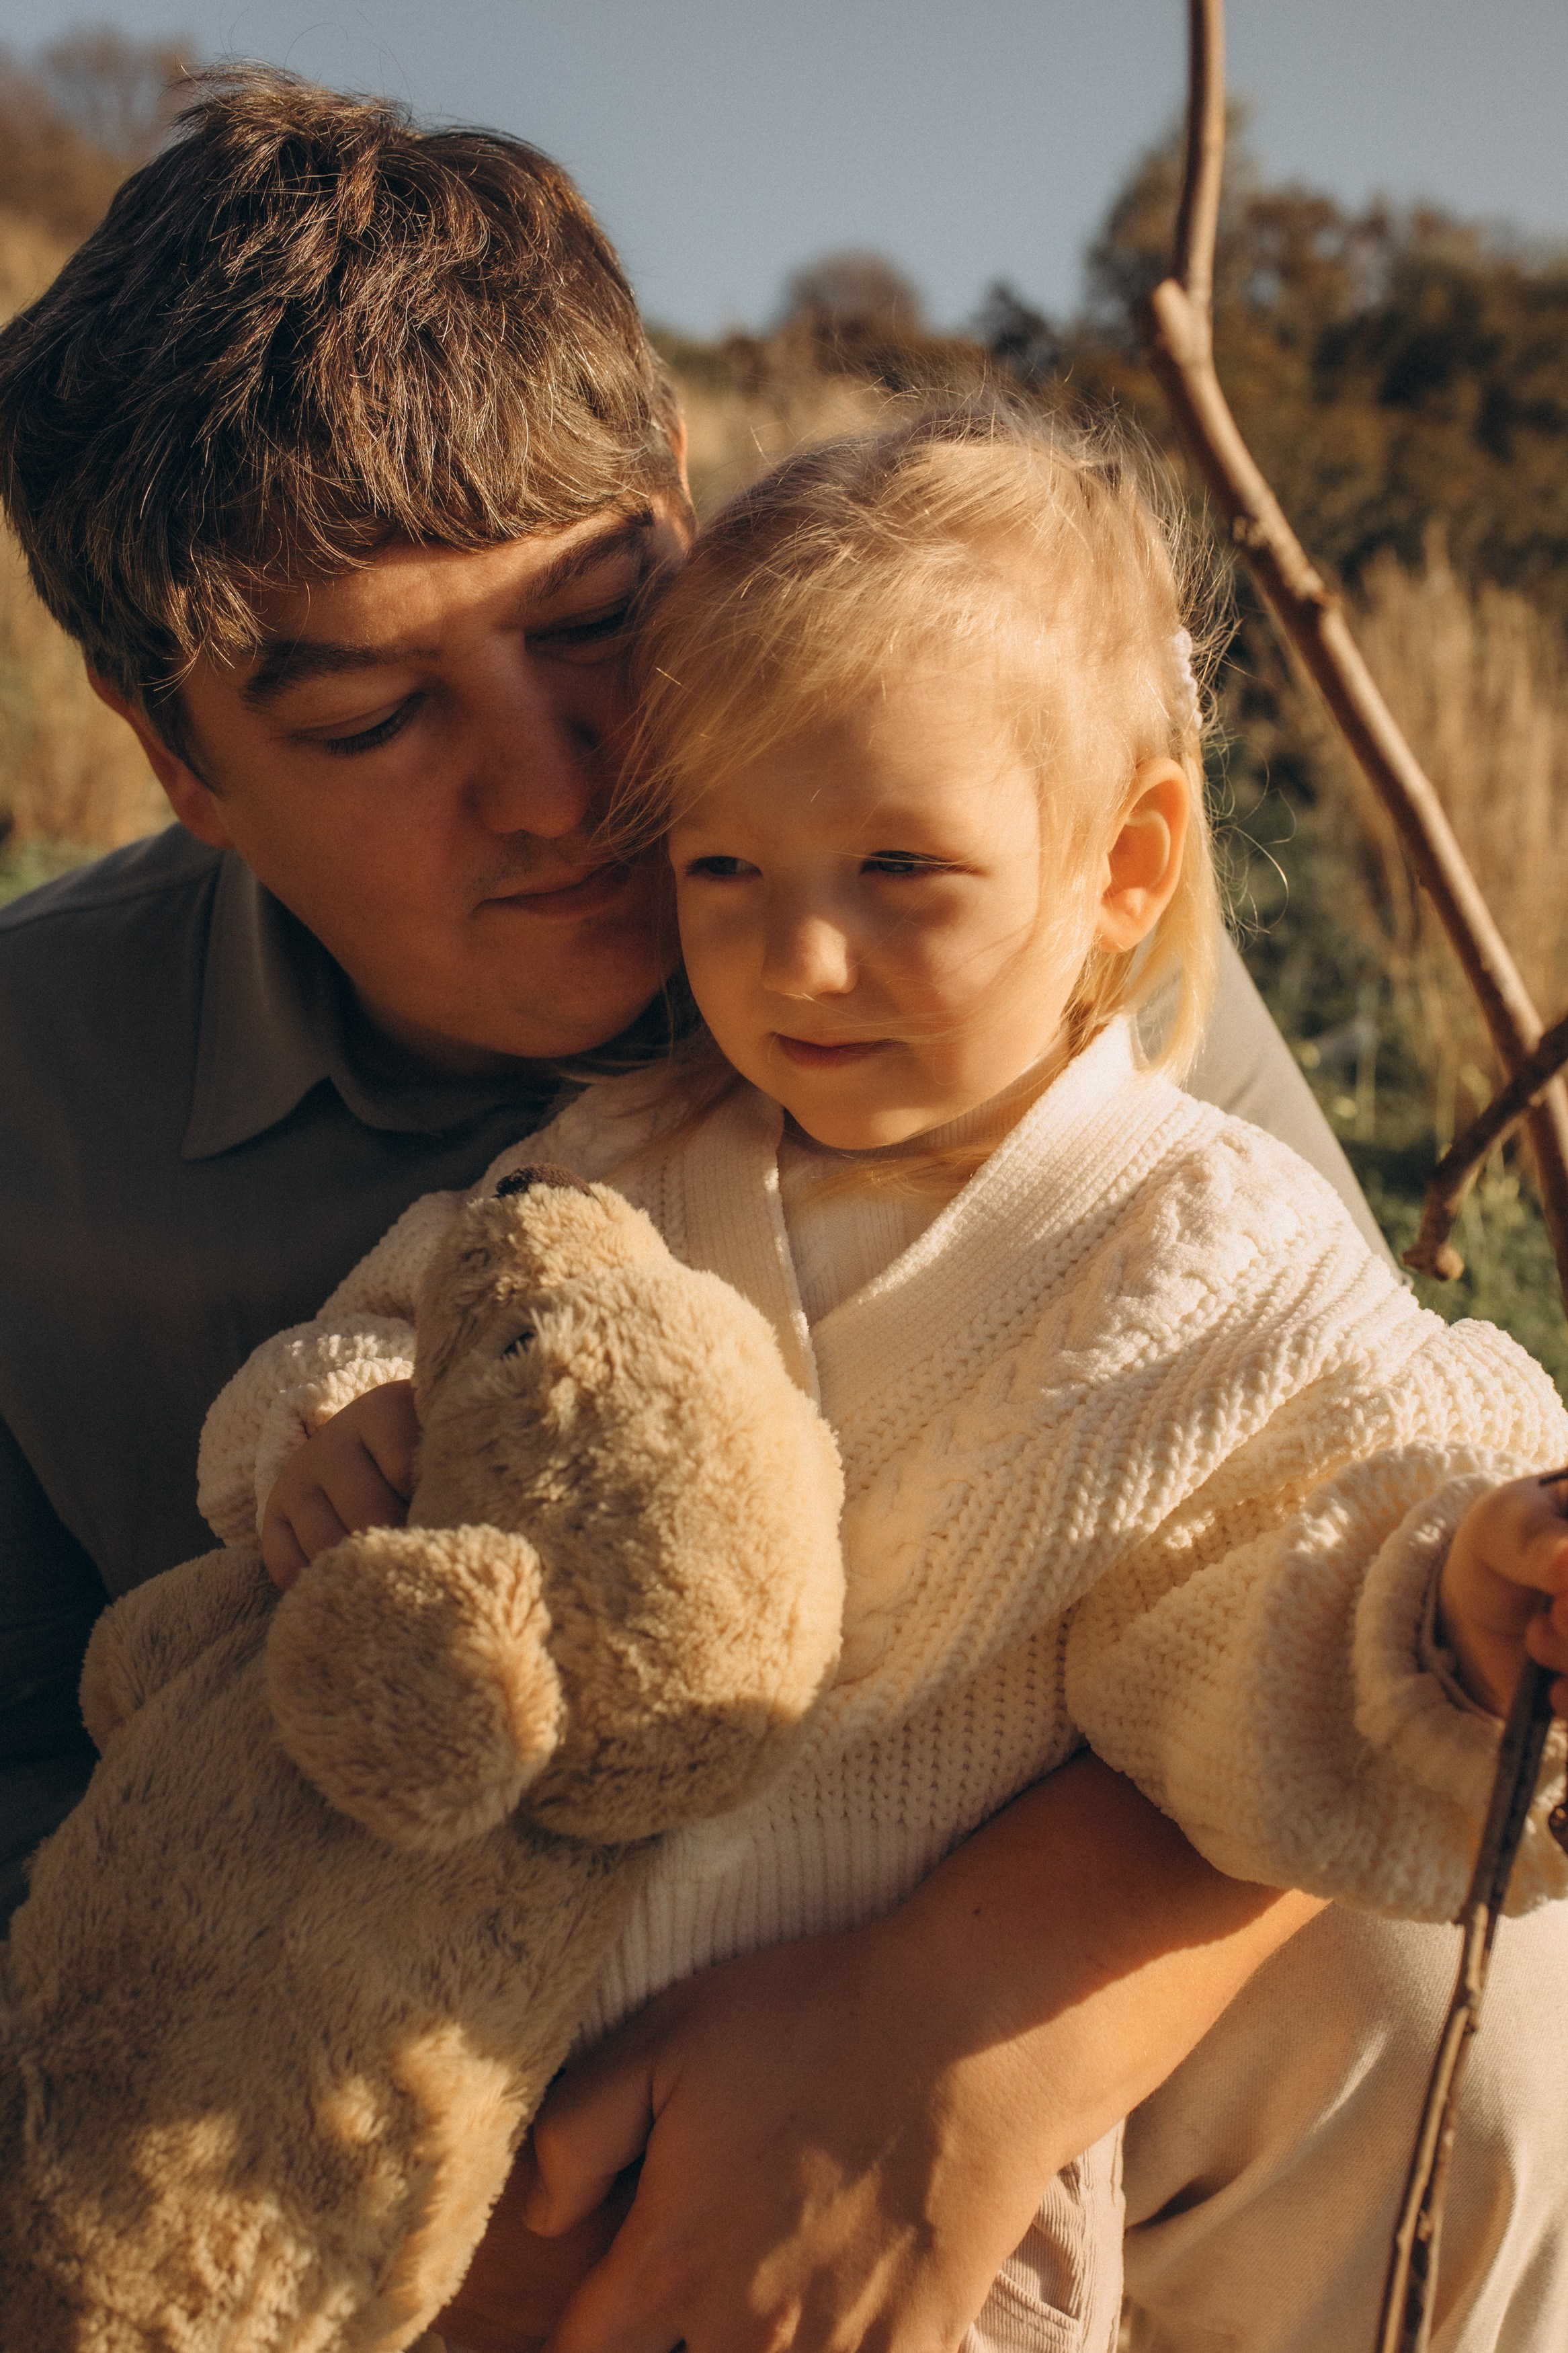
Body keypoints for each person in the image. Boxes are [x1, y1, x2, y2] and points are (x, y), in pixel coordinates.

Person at [0, 67, 1563, 2353]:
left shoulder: (1024, 933)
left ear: (680, 514)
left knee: (1465, 2003)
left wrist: (948, 2046)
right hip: (329, 2089)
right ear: (175, 757)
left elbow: (1315, 1546)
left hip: (954, 1932)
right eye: (370, 718)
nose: (563, 791)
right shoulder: (36, 1100)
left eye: (592, 622)